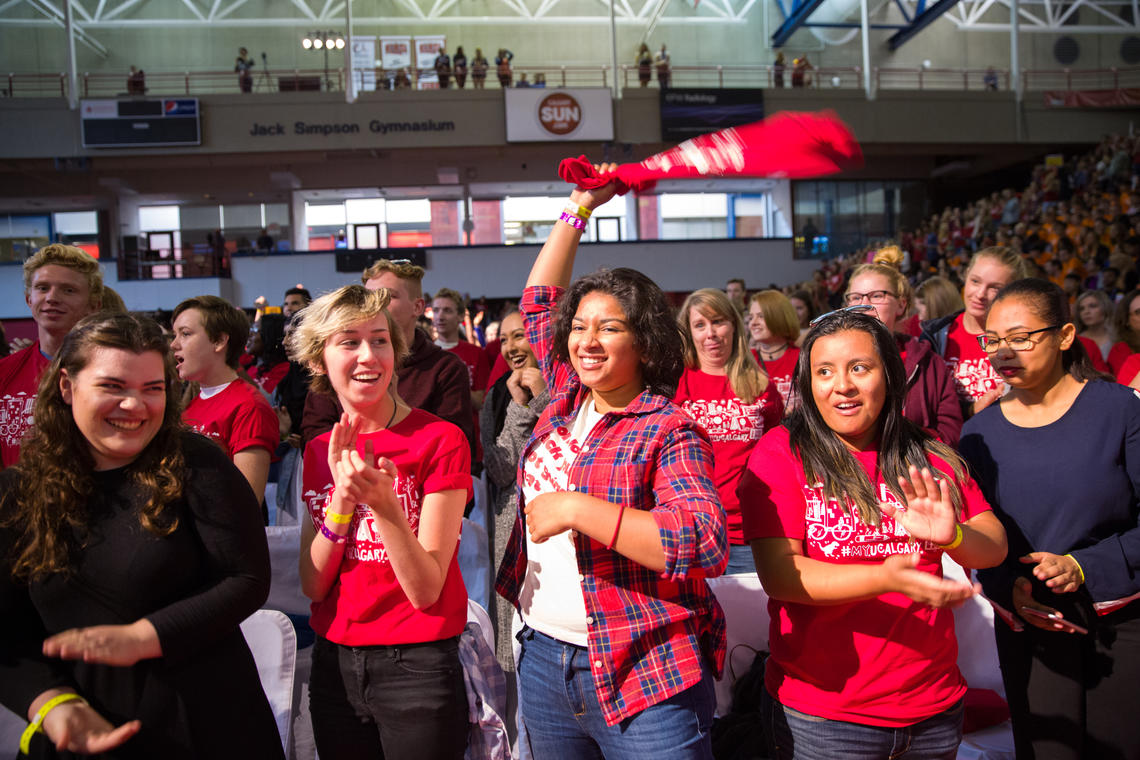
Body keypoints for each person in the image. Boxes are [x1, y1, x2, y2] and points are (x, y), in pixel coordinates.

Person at [496, 171, 727, 757]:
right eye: (579, 327)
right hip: (544, 657)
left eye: (609, 328)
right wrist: (578, 207)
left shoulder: (667, 429)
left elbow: (701, 541)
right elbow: (539, 300)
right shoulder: (567, 396)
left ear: (644, 342)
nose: (586, 341)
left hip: (645, 666)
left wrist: (578, 509)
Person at [0, 313, 283, 759]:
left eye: (153, 388)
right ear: (67, 387)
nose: (135, 405)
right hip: (79, 733)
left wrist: (143, 638)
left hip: (203, 724)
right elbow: (8, 636)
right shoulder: (19, 491)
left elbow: (246, 578)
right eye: (113, 387)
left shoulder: (196, 463)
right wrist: (52, 705)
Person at [738, 307, 1007, 760]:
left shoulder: (926, 452)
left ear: (890, 376)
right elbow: (781, 576)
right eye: (824, 371)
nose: (842, 385)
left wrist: (954, 537)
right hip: (825, 718)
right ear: (808, 383)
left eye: (859, 368)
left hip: (934, 710)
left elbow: (994, 545)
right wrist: (885, 578)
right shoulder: (781, 452)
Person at [287, 285, 471, 759]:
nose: (368, 355)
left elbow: (425, 590)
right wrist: (342, 501)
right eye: (349, 342)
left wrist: (386, 509)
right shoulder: (318, 451)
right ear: (319, 359)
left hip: (418, 664)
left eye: (380, 340)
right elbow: (313, 584)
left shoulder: (440, 440)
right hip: (334, 662)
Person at [959, 278, 1140, 760]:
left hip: (1121, 621)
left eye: (1021, 337)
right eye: (992, 340)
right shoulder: (977, 434)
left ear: (1064, 335)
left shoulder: (1119, 409)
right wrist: (1009, 587)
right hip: (1031, 629)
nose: (1003, 351)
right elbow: (982, 539)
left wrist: (1082, 566)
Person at [302, 260, 475, 453]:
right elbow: (315, 436)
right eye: (368, 296)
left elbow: (454, 445)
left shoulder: (445, 368)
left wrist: (398, 413)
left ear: (417, 307)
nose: (375, 305)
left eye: (387, 296)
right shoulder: (337, 363)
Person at [675, 288, 782, 575]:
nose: (710, 333)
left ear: (734, 325)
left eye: (718, 322)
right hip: (693, 530)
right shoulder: (675, 384)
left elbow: (778, 456)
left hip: (749, 531)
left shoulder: (762, 386)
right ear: (689, 332)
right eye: (700, 325)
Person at [480, 309, 548, 670]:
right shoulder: (497, 397)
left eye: (519, 336)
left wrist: (543, 398)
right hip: (515, 534)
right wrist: (521, 407)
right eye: (504, 339)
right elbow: (500, 470)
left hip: (565, 531)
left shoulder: (574, 385)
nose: (510, 348)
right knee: (519, 650)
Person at [0, 244, 103, 469]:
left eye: (68, 290)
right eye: (42, 288)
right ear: (29, 300)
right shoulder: (4, 373)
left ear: (93, 305)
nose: (52, 298)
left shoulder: (112, 371)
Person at [171, 296, 277, 510]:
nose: (174, 344)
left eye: (185, 334)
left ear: (219, 341)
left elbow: (246, 504)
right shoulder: (194, 403)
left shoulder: (249, 407)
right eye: (175, 335)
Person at [847, 256, 963, 445]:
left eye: (877, 296)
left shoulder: (928, 363)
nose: (864, 304)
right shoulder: (830, 360)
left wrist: (908, 449)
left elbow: (950, 433)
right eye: (856, 297)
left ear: (901, 305)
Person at [920, 246, 1029, 418]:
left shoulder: (1026, 341)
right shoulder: (934, 336)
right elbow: (924, 405)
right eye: (975, 281)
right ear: (966, 275)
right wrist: (970, 410)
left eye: (995, 288)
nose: (980, 294)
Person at [432, 287, 490, 413]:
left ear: (460, 316)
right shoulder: (425, 352)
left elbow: (481, 402)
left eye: (447, 310)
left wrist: (456, 382)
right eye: (436, 310)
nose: (440, 316)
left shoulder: (476, 353)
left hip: (467, 423)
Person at [748, 290, 801, 410]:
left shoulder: (803, 358)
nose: (753, 323)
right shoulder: (745, 362)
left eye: (761, 316)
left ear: (779, 317)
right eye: (751, 318)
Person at [1076, 289, 1133, 375]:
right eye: (1081, 309)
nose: (1086, 312)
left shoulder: (1119, 337)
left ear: (1105, 308)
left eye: (1092, 306)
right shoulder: (1075, 340)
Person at [248, 313, 290, 394]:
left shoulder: (284, 369)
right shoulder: (253, 367)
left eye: (255, 330)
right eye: (251, 329)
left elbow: (268, 399)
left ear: (269, 336)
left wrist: (238, 370)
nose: (249, 334)